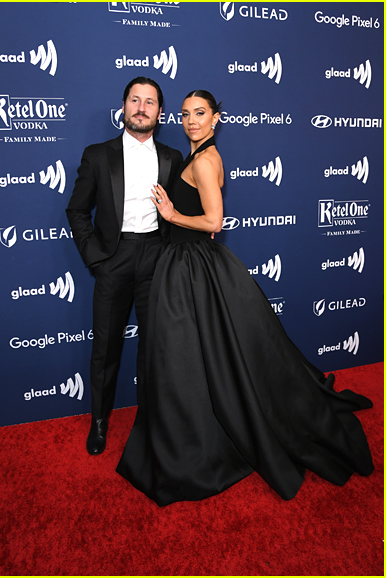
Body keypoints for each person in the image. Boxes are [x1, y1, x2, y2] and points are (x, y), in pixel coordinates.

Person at [116, 90, 374, 506]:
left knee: (184, 354)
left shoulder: (203, 160)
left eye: (200, 113)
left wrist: (172, 215)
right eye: (185, 114)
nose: (191, 120)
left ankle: (195, 441)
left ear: (216, 117)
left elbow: (214, 221)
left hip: (190, 265)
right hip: (192, 265)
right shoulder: (203, 154)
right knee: (200, 356)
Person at [66, 77, 183, 455]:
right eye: (135, 99)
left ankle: (150, 422)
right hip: (113, 259)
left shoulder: (172, 158)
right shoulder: (98, 154)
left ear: (160, 113)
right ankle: (99, 422)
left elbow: (181, 215)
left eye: (150, 102)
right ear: (123, 106)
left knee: (154, 348)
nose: (141, 107)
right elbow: (77, 209)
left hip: (156, 258)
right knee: (105, 348)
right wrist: (96, 258)